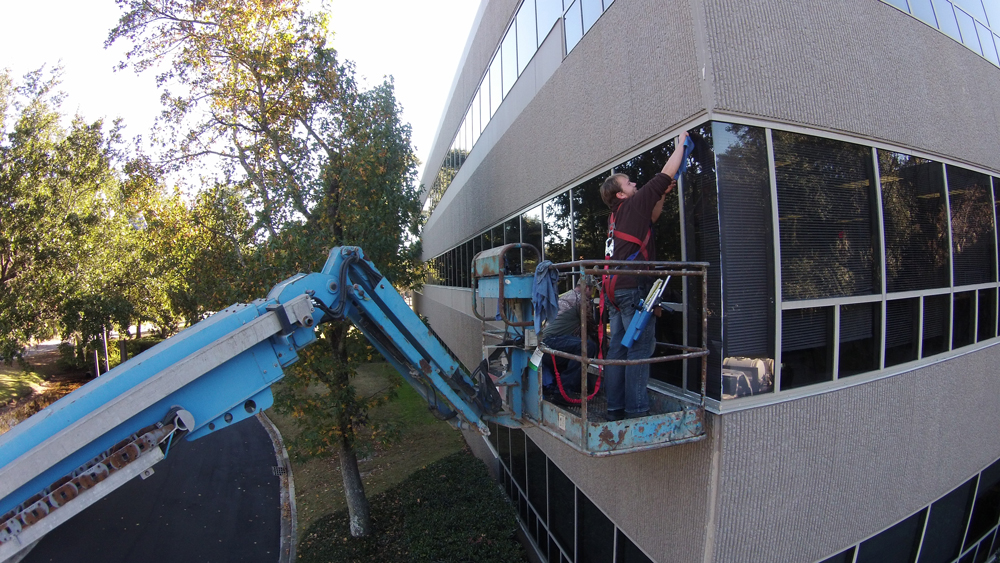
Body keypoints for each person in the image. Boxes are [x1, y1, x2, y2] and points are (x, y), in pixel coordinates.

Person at [600, 131, 689, 420]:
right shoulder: (633, 204)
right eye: (629, 182)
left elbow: (652, 217)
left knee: (618, 353)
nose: (634, 182)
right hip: (633, 289)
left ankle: (615, 409)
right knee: (638, 350)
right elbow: (665, 174)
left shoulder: (619, 214)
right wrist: (681, 143)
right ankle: (637, 411)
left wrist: (661, 196)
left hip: (615, 292)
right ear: (621, 194)